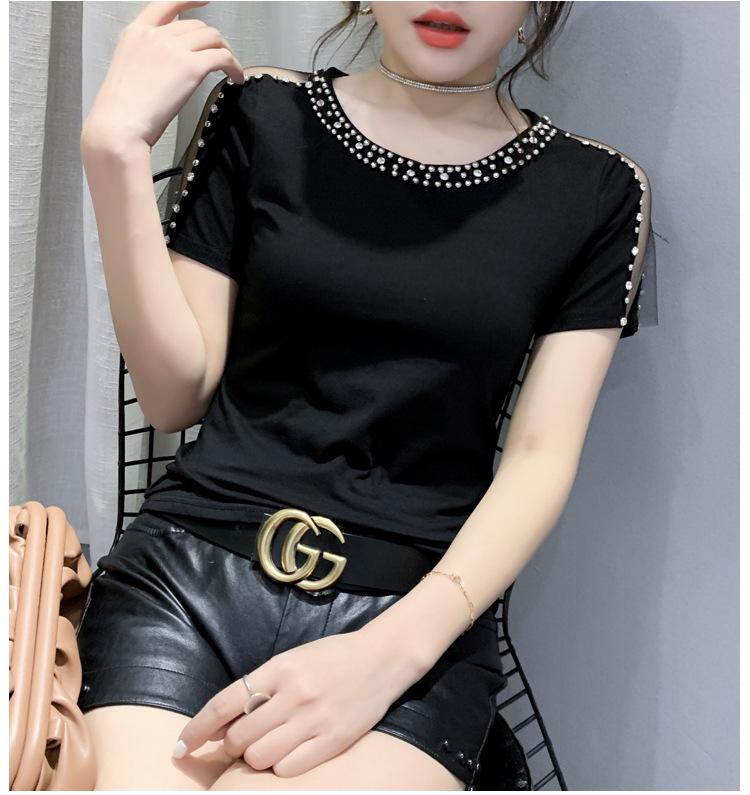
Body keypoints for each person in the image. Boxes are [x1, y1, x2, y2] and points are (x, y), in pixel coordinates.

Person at [77, 0, 653, 790]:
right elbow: (175, 398)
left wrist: (390, 654)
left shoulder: (596, 190)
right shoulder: (260, 112)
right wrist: (113, 151)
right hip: (186, 584)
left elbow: (539, 457)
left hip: (409, 617)